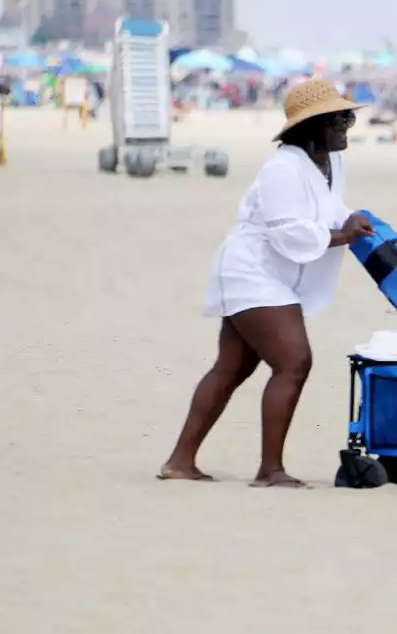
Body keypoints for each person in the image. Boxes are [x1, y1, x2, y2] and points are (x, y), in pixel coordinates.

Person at [159, 79, 376, 488]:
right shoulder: (282, 168)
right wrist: (343, 235)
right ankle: (270, 470)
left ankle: (179, 462)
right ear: (315, 125)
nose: (348, 125)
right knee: (294, 362)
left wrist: (352, 220)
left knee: (231, 368)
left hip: (277, 275)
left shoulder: (331, 163)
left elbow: (329, 209)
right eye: (341, 118)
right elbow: (286, 232)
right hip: (251, 271)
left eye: (349, 116)